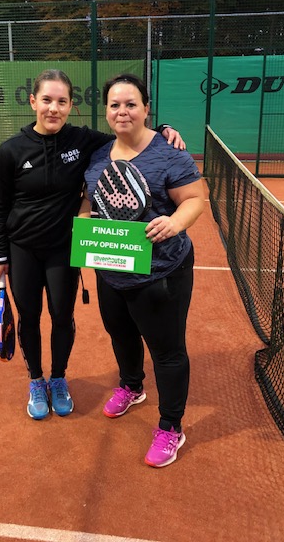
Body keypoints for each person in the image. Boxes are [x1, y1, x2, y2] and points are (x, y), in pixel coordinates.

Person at [0, 69, 184, 421]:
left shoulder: (82, 140)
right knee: (29, 317)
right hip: (22, 250)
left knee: (62, 316)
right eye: (46, 100)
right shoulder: (11, 150)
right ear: (33, 102)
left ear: (71, 106)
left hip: (64, 249)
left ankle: (58, 378)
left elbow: (128, 130)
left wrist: (164, 128)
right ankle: (36, 380)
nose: (53, 108)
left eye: (61, 101)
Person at [79, 73, 204, 467]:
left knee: (167, 352)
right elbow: (88, 203)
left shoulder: (170, 154)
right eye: (115, 105)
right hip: (112, 269)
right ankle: (132, 386)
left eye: (131, 104)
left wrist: (175, 223)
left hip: (161, 272)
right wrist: (85, 228)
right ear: (106, 111)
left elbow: (195, 198)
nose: (123, 111)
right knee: (120, 333)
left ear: (146, 109)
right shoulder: (98, 156)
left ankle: (171, 427)